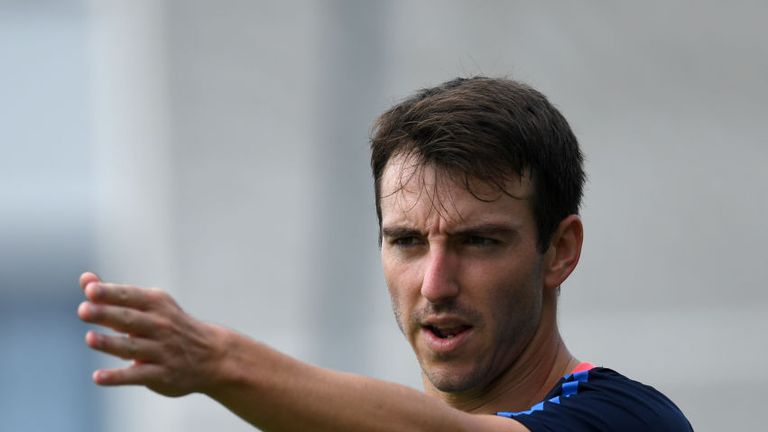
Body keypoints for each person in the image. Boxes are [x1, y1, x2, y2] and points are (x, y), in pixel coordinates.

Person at [77, 76, 693, 431]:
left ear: (560, 251)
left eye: (479, 241)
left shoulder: (629, 420)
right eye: (406, 241)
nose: (436, 283)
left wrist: (222, 361)